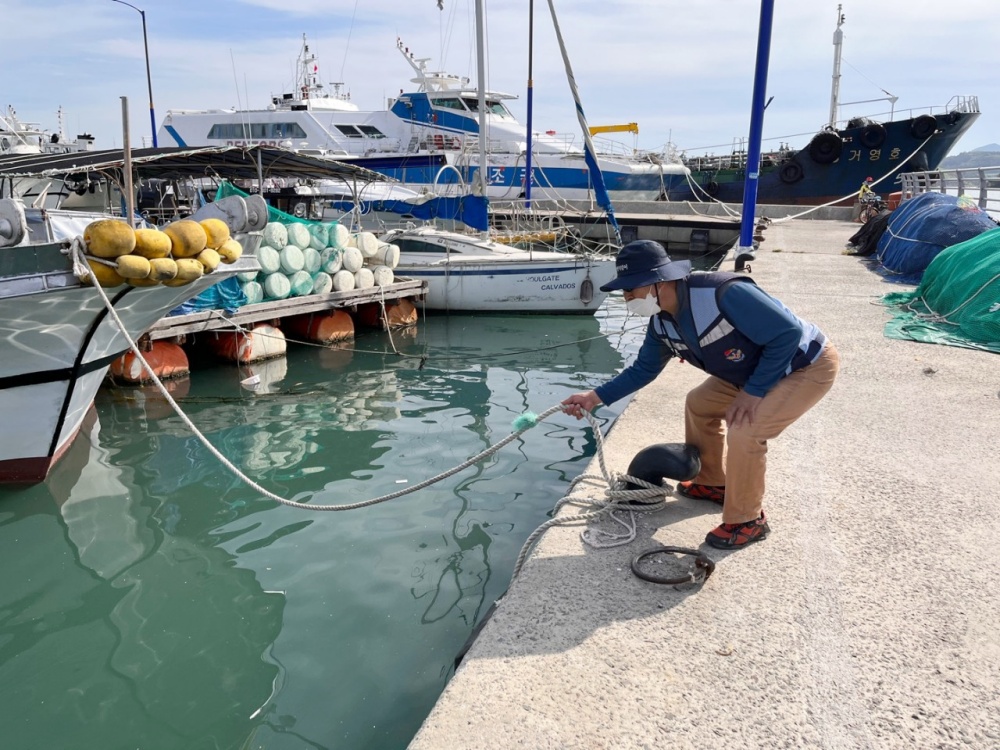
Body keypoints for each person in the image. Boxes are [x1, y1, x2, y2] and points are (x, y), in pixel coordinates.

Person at [562, 240, 839, 549]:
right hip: (752, 371)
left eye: (630, 289)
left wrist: (753, 393)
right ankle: (713, 482)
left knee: (746, 430)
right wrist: (593, 397)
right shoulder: (661, 323)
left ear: (659, 281)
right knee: (700, 404)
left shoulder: (723, 293)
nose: (627, 298)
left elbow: (787, 334)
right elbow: (643, 369)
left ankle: (748, 520)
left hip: (805, 365)